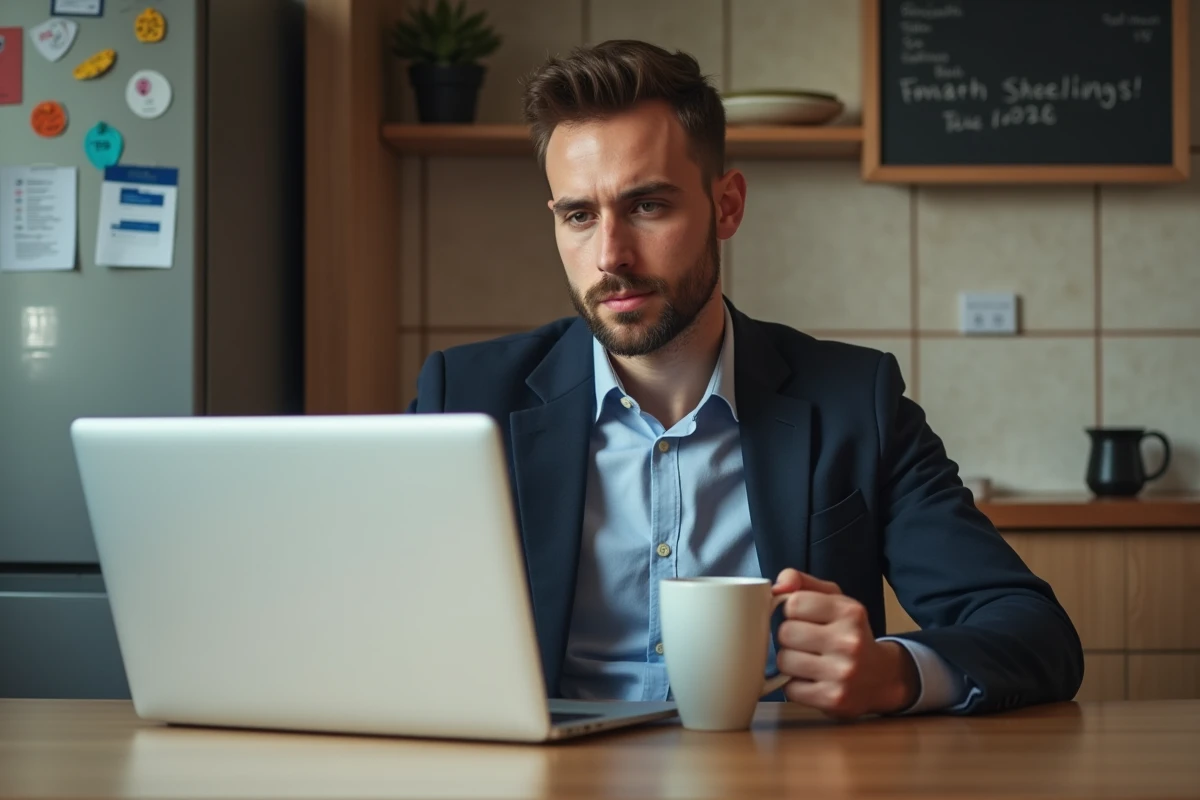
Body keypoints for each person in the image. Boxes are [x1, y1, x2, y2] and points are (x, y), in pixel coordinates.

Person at [406, 39, 1083, 717]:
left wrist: (896, 671)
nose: (610, 255)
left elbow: (1033, 631)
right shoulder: (463, 401)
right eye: (579, 215)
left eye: (647, 206)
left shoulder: (855, 402)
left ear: (726, 206)